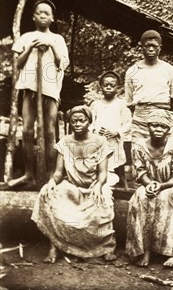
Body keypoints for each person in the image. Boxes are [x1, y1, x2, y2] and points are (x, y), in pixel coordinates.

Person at [31, 105, 116, 263]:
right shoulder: (65, 142)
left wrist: (98, 186)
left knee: (103, 198)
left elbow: (103, 172)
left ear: (89, 121)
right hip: (72, 185)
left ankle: (105, 247)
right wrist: (51, 182)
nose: (77, 124)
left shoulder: (100, 141)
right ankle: (54, 246)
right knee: (48, 194)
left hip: (94, 184)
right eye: (74, 121)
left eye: (81, 121)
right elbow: (58, 172)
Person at [8, 0, 69, 188]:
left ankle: (52, 174)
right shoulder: (27, 37)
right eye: (39, 12)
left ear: (52, 18)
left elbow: (61, 63)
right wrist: (30, 48)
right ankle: (28, 174)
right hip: (30, 89)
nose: (43, 16)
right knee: (27, 130)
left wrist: (49, 45)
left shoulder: (57, 39)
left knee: (50, 131)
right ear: (34, 17)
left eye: (47, 13)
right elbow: (18, 64)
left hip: (49, 90)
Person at [126, 109, 173, 268]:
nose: (157, 129)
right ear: (147, 126)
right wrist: (149, 184)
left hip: (172, 185)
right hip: (149, 184)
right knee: (141, 197)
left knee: (166, 198)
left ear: (168, 129)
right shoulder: (138, 146)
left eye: (162, 127)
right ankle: (146, 248)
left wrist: (160, 186)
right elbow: (141, 171)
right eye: (154, 125)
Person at [125, 30, 173, 142]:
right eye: (147, 46)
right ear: (142, 47)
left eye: (154, 46)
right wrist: (143, 111)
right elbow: (129, 102)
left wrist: (170, 120)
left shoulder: (169, 69)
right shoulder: (132, 71)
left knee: (162, 152)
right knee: (139, 149)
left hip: (163, 115)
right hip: (140, 118)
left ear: (160, 47)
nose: (151, 49)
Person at [91, 70, 132, 188]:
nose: (109, 87)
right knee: (99, 163)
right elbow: (90, 122)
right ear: (101, 87)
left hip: (114, 140)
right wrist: (94, 130)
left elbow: (128, 123)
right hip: (99, 140)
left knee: (118, 163)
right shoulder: (95, 104)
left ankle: (124, 187)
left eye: (112, 85)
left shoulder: (122, 104)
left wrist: (116, 132)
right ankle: (101, 184)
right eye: (106, 85)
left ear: (117, 88)